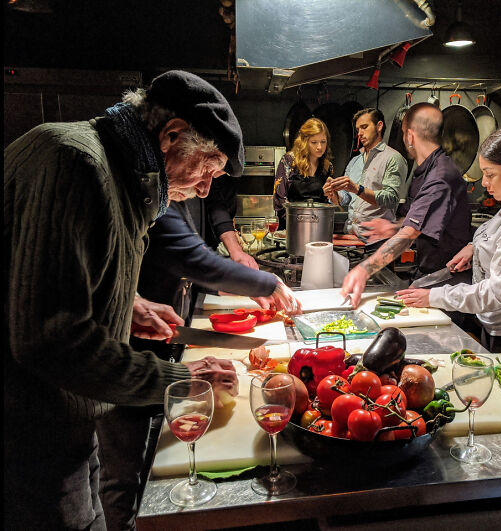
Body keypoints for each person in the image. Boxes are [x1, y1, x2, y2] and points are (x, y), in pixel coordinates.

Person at [4, 70, 249, 529]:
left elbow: (46, 278)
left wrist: (126, 302)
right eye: (208, 166)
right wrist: (181, 378)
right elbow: (51, 340)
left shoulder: (117, 176)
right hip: (30, 438)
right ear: (171, 135)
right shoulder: (76, 163)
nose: (204, 188)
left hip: (73, 419)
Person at [96, 199, 300, 530]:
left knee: (135, 463)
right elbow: (188, 255)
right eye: (208, 168)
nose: (207, 187)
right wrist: (266, 282)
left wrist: (133, 302)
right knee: (122, 476)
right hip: (118, 364)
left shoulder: (175, 192)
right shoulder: (149, 190)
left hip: (151, 346)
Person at [395, 128, 501, 353]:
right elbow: (500, 235)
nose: (484, 183)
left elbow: (497, 293)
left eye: (489, 173)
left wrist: (433, 296)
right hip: (498, 323)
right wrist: (474, 248)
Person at [341, 102, 473, 308]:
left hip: (446, 279)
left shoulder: (440, 177)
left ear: (410, 136)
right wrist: (394, 227)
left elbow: (409, 234)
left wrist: (363, 270)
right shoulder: (430, 169)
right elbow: (424, 218)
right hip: (432, 271)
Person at [322, 108, 407, 243]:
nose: (359, 133)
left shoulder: (393, 158)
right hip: (352, 237)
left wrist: (358, 189)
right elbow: (346, 198)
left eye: (364, 127)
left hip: (377, 241)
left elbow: (391, 198)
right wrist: (334, 194)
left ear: (379, 126)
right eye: (358, 129)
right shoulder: (355, 161)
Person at [273, 117, 334, 229]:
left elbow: (327, 203)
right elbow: (279, 198)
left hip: (318, 226)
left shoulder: (327, 167)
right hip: (291, 225)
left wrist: (333, 194)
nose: (319, 147)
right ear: (304, 142)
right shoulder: (289, 161)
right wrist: (297, 222)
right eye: (314, 142)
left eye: (323, 142)